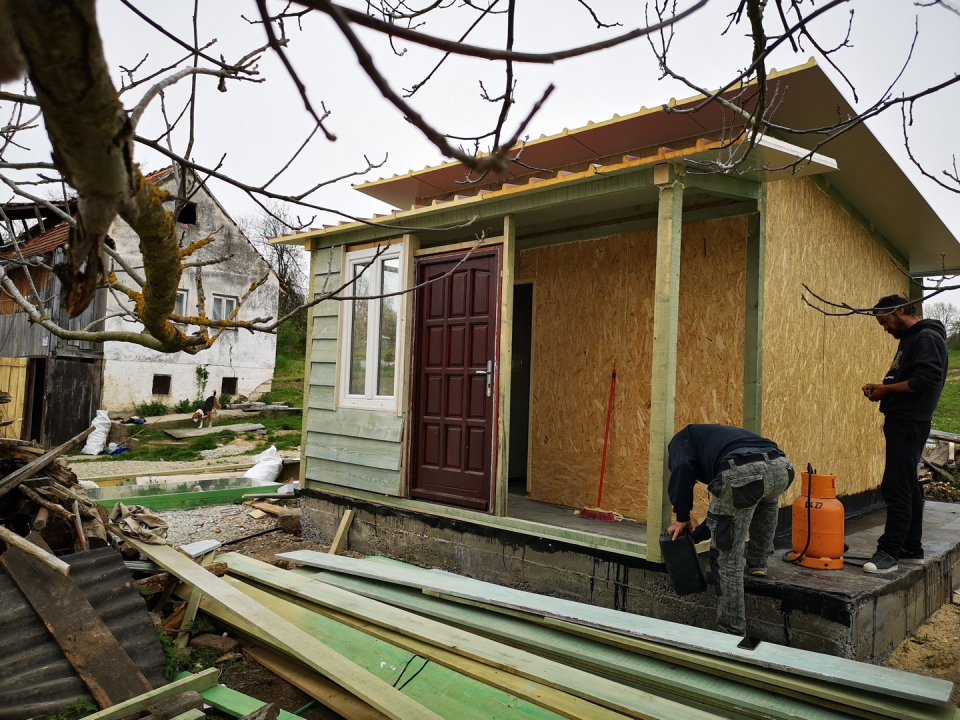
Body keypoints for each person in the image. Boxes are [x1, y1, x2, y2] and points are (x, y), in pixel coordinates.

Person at [666, 424, 795, 636]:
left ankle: (731, 631)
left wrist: (682, 517)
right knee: (765, 504)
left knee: (727, 558)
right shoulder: (712, 439)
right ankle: (758, 563)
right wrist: (696, 536)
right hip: (781, 467)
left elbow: (682, 467)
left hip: (743, 472)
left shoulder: (680, 441)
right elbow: (724, 516)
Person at [861, 295, 947, 574]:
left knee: (896, 485)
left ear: (900, 311)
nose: (885, 327)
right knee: (908, 485)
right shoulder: (913, 338)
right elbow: (910, 378)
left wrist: (887, 390)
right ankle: (911, 548)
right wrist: (884, 389)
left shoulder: (925, 337)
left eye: (885, 321)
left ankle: (889, 553)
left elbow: (927, 378)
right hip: (904, 420)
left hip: (909, 423)